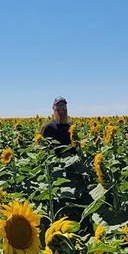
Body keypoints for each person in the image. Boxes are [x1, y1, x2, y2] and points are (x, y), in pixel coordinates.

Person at [41, 97, 92, 230]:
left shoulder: (70, 127)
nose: (61, 110)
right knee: (60, 197)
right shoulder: (49, 127)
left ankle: (77, 223)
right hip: (57, 168)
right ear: (53, 109)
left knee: (75, 196)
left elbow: (76, 146)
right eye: (58, 108)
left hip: (73, 168)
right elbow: (46, 150)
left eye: (63, 108)